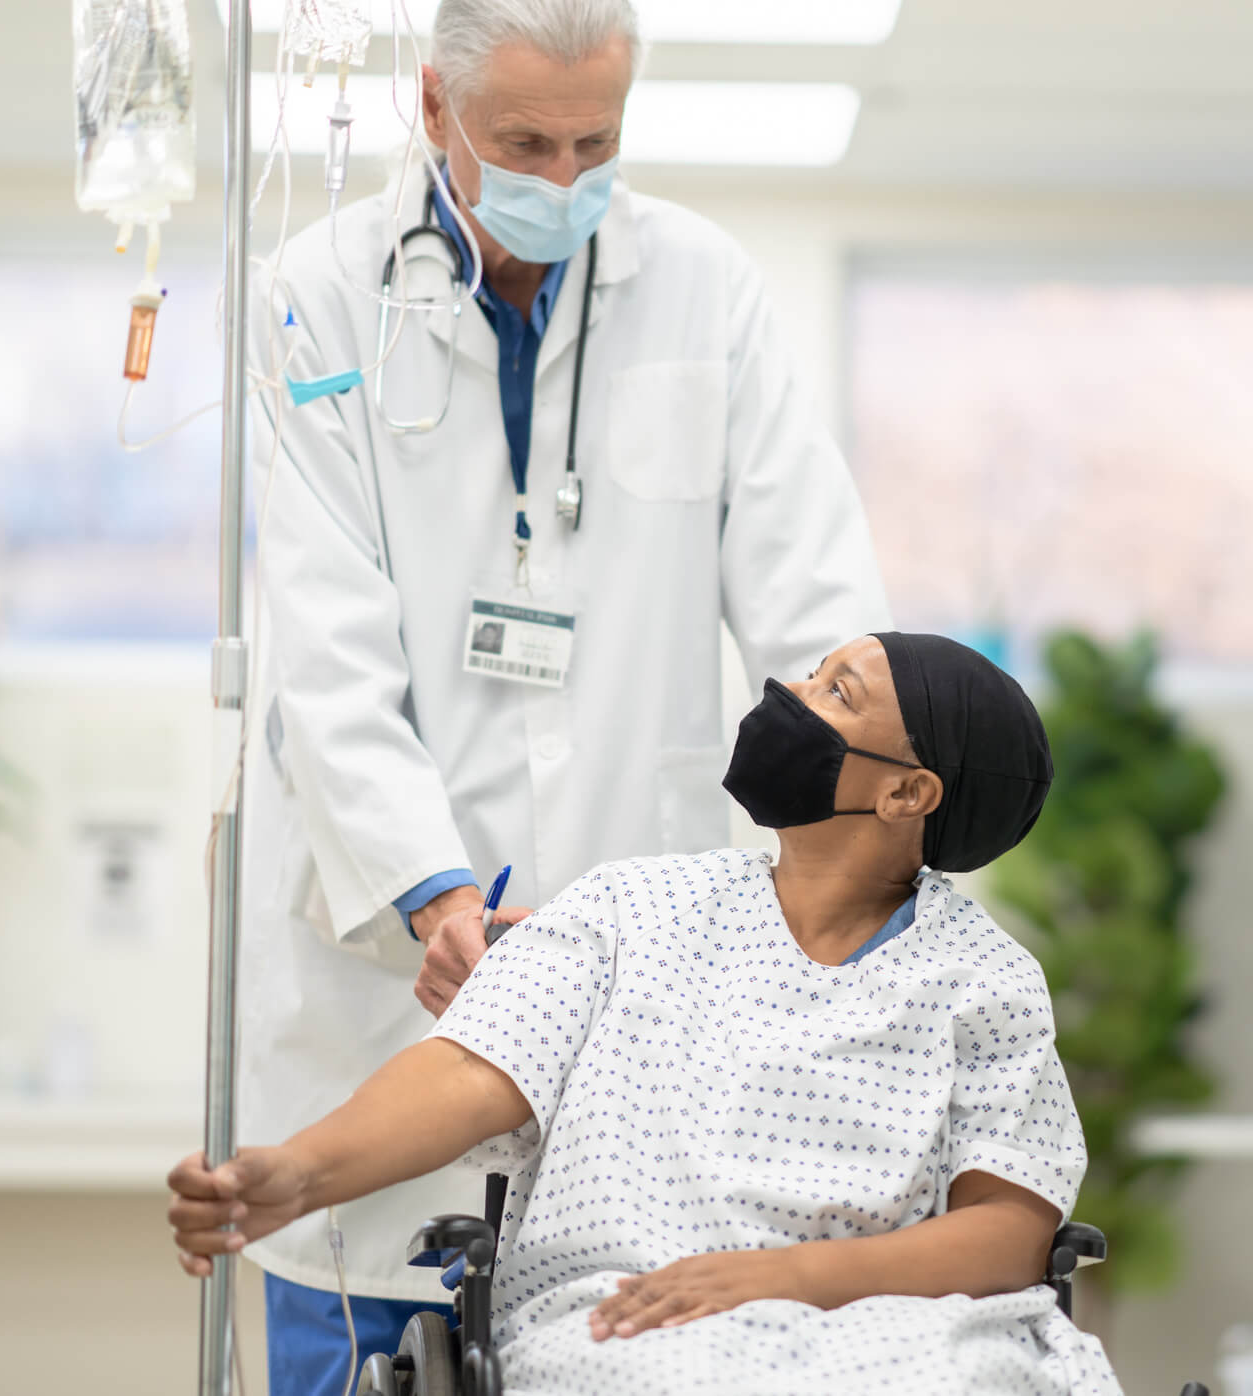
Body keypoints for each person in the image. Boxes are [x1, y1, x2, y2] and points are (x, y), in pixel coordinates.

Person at [239, 1, 889, 1388]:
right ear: (433, 111)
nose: (562, 177)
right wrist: (432, 889)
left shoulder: (706, 288)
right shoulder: (320, 293)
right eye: (523, 140)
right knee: (370, 1325)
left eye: (596, 140)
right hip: (383, 981)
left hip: (638, 965)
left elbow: (816, 617)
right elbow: (325, 646)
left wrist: (852, 847)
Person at [172, 635, 1121, 1395]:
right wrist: (301, 1174)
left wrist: (776, 1279)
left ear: (906, 792)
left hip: (907, 1335)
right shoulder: (628, 910)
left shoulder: (982, 980)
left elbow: (1006, 1234)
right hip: (635, 1320)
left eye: (835, 692)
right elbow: (470, 1071)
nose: (789, 692)